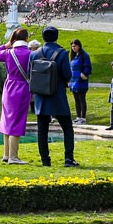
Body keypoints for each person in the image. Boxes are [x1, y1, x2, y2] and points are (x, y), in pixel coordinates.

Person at [33, 26, 78, 167]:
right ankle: (68, 159)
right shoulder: (62, 53)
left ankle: (45, 160)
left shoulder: (34, 54)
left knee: (42, 131)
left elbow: (31, 74)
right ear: (56, 37)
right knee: (67, 128)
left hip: (41, 97)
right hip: (57, 96)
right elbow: (67, 74)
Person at [0, 27, 33, 165]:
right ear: (27, 39)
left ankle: (6, 154)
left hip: (8, 87)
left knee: (7, 120)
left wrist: (6, 45)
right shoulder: (30, 54)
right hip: (22, 87)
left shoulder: (8, 53)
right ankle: (14, 157)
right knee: (18, 121)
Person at [68, 39, 92, 125]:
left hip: (81, 81)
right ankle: (78, 117)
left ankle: (83, 117)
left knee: (82, 99)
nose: (73, 48)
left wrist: (84, 74)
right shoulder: (74, 56)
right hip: (74, 81)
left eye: (75, 46)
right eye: (72, 46)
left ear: (79, 46)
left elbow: (88, 67)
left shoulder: (84, 55)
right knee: (76, 100)